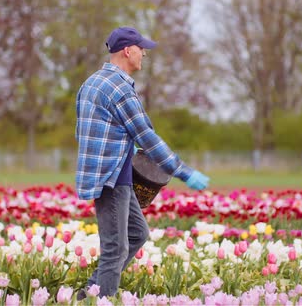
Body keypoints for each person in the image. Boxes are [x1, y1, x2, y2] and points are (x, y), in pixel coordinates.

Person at [75, 26, 210, 299]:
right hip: (112, 178)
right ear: (128, 50)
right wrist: (183, 172)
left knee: (137, 234)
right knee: (116, 249)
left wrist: (121, 140)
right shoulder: (120, 88)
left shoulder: (91, 83)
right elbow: (148, 137)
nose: (144, 54)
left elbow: (85, 130)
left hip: (110, 174)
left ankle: (87, 294)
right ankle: (101, 300)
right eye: (141, 49)